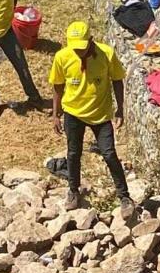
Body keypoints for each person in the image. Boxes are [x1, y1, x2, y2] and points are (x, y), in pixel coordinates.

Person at [49, 21, 134, 217]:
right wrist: (55, 114)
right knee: (73, 153)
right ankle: (73, 190)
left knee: (109, 154)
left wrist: (120, 110)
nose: (79, 52)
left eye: (82, 48)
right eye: (75, 48)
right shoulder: (62, 57)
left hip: (101, 115)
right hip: (73, 113)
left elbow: (117, 80)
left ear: (91, 41)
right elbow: (58, 86)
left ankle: (124, 196)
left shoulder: (106, 54)